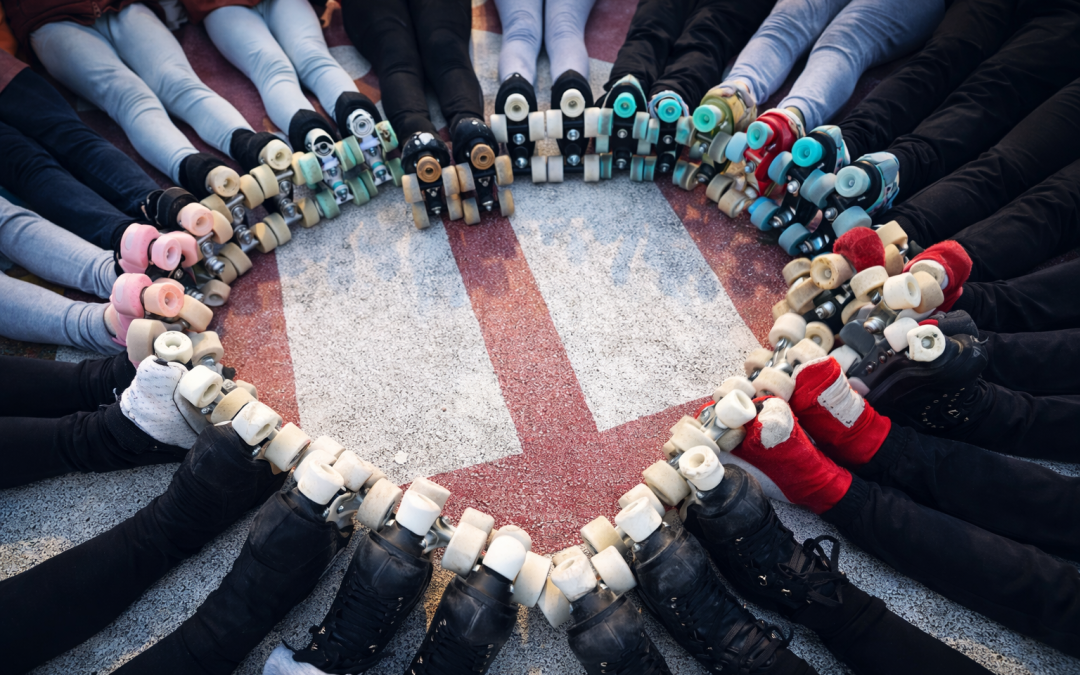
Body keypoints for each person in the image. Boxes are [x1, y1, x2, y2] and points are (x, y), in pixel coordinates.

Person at [4, 0, 289, 204]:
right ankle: (196, 170)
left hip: (123, 5)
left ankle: (248, 146)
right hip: (51, 20)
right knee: (129, 96)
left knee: (178, 81)